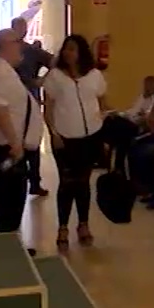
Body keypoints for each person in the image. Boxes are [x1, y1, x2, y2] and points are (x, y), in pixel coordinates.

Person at [0, 28, 46, 254]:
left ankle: (8, 245)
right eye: (18, 42)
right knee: (9, 199)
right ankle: (3, 248)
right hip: (3, 147)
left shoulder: (2, 69)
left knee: (12, 198)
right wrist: (14, 142)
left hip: (7, 146)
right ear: (4, 45)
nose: (22, 46)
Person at [42, 34, 109, 251]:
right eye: (66, 49)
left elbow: (102, 102)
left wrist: (104, 129)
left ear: (81, 52)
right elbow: (49, 107)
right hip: (64, 137)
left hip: (90, 136)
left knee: (83, 182)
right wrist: (53, 132)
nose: (68, 53)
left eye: (72, 49)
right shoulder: (55, 76)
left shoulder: (94, 75)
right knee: (67, 182)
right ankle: (62, 227)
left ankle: (83, 224)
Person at [12, 17, 54, 197]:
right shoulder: (5, 51)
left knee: (33, 141)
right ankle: (18, 179)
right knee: (15, 139)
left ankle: (35, 182)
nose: (22, 30)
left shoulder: (32, 51)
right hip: (12, 100)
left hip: (31, 99)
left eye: (24, 27)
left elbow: (54, 62)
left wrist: (41, 81)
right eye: (19, 27)